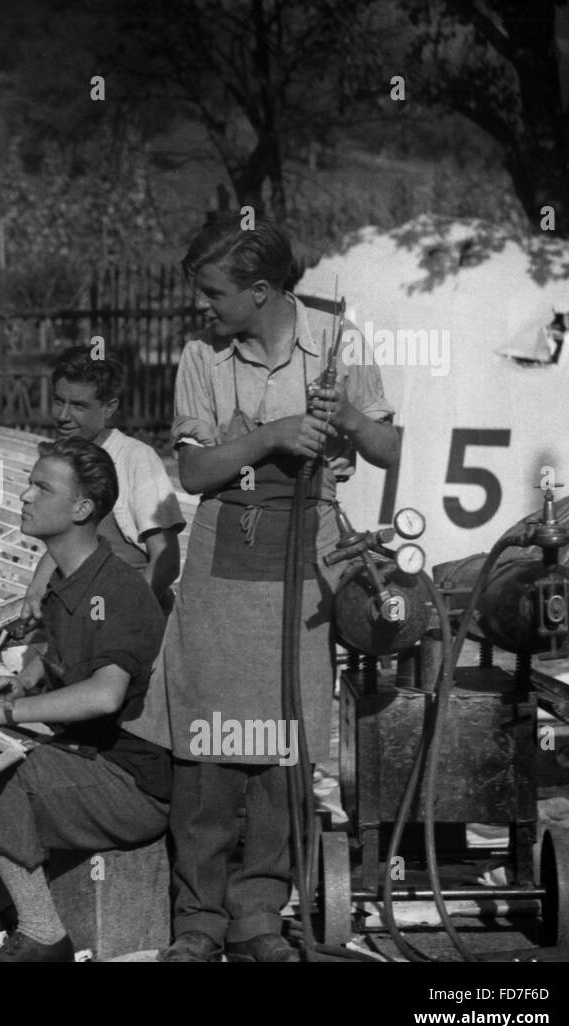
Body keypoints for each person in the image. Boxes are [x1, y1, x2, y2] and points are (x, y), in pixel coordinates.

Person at [161, 217, 398, 963]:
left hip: (307, 552)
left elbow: (390, 448)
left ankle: (259, 913)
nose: (204, 307)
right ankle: (197, 921)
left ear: (261, 292)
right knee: (209, 741)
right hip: (221, 553)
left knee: (281, 740)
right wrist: (271, 435)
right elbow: (195, 475)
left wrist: (347, 419)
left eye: (214, 293)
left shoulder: (340, 343)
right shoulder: (202, 357)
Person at [0, 436, 171, 962]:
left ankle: (43, 932)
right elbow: (68, 651)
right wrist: (26, 679)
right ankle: (9, 911)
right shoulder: (72, 581)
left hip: (130, 782)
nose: (25, 495)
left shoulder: (117, 589)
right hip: (90, 759)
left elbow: (106, 694)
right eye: (30, 483)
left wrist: (2, 712)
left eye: (42, 487)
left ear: (83, 508)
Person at [22, 348, 183, 615]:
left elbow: (166, 561)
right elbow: (66, 541)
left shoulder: (135, 458)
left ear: (109, 408)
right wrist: (35, 592)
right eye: (58, 401)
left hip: (126, 610)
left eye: (79, 406)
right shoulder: (63, 457)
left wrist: (119, 618)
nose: (63, 416)